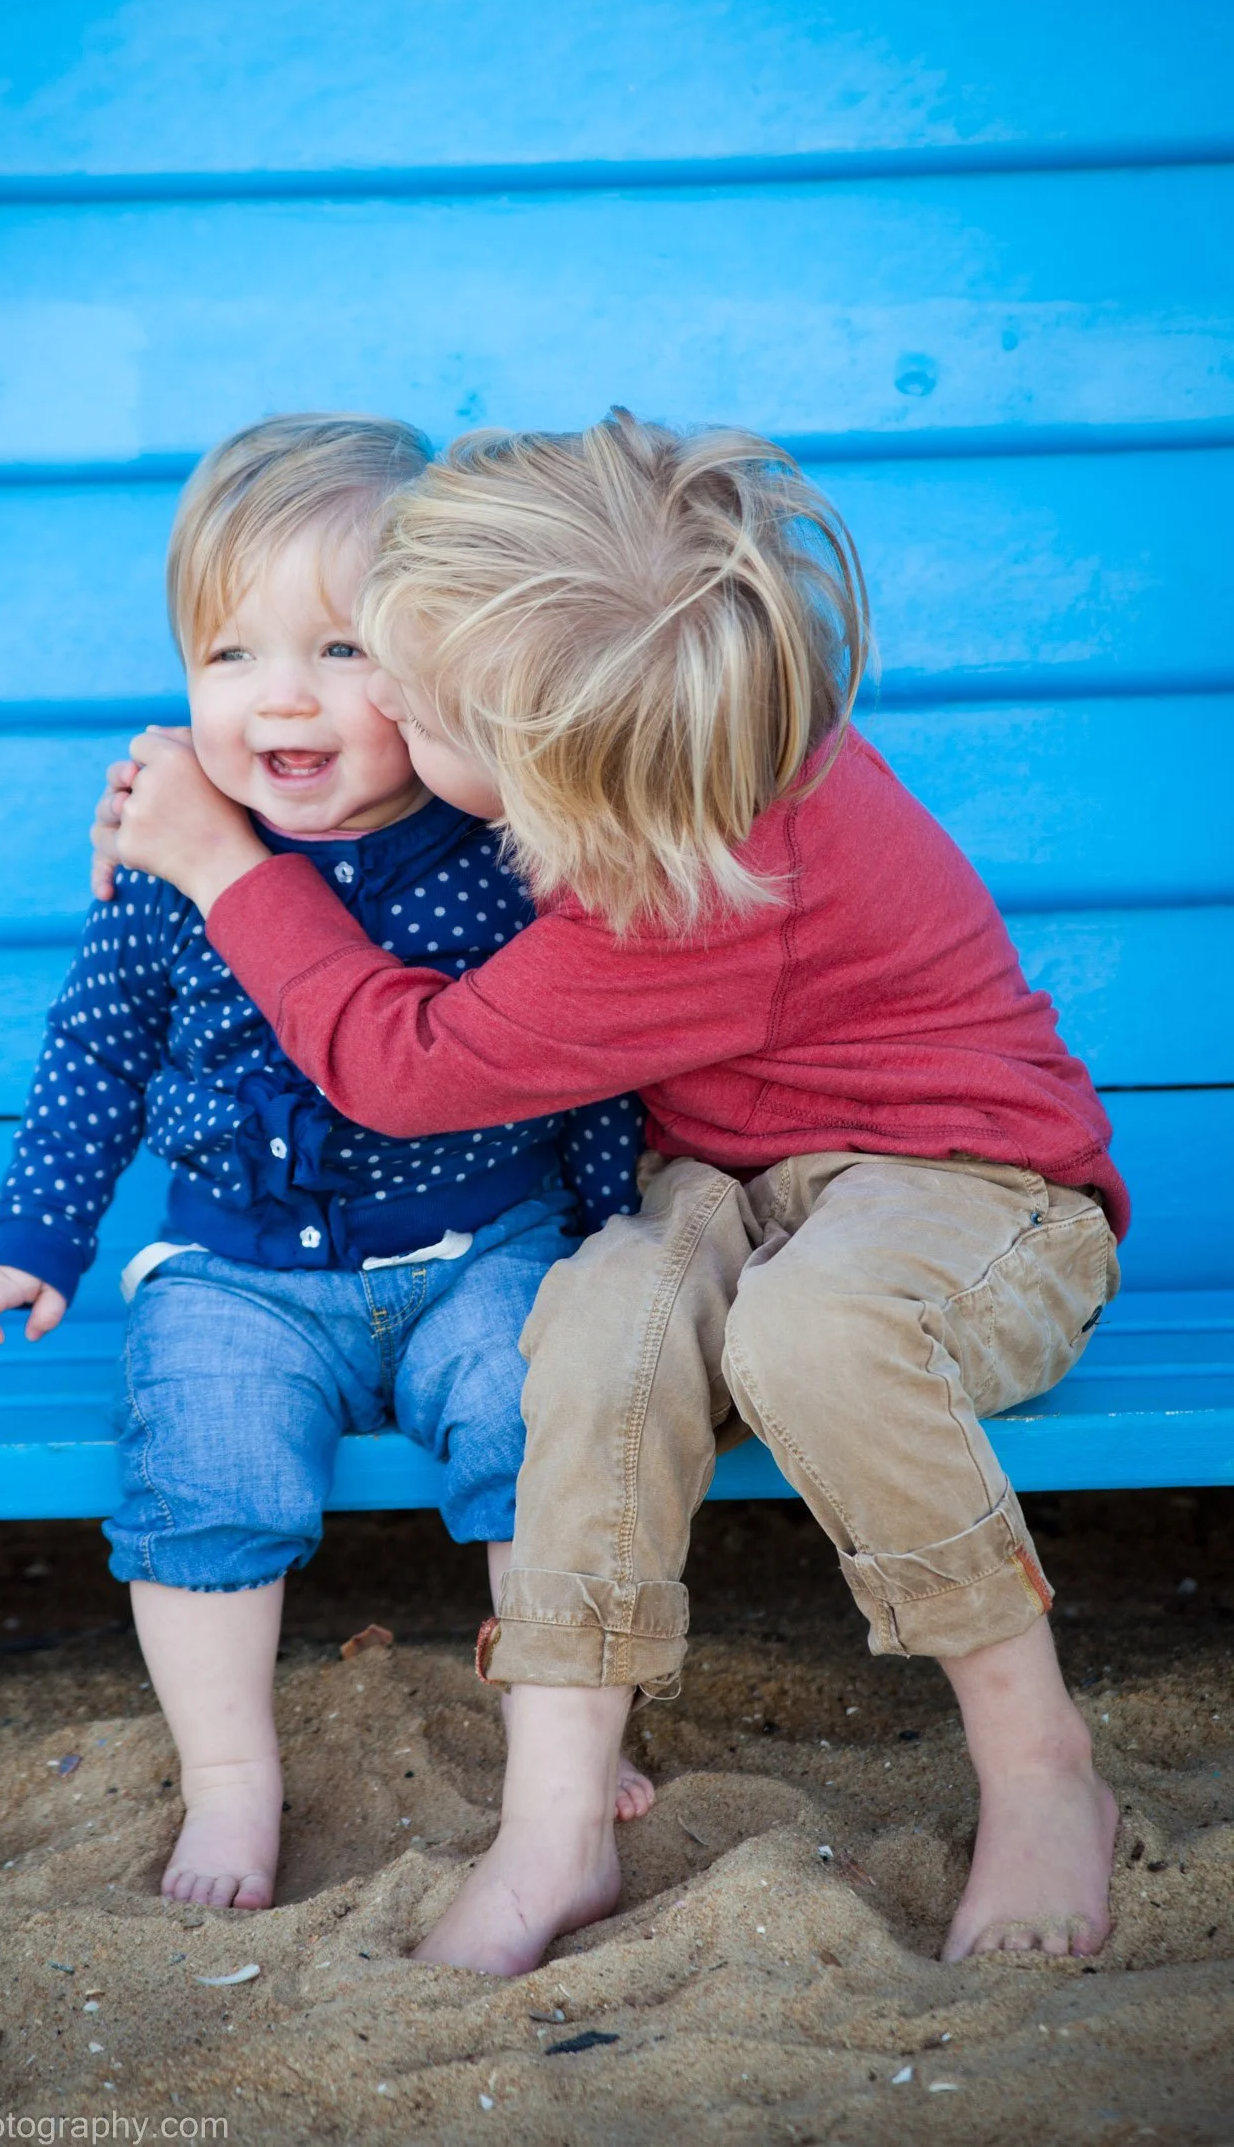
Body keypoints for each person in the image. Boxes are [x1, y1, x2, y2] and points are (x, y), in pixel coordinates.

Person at [92, 410, 1127, 1976]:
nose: (397, 734)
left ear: (540, 768)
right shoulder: (663, 725)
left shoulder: (690, 879)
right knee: (592, 1321)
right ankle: (555, 1820)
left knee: (813, 1333)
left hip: (969, 1189)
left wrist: (230, 868)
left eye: (413, 701)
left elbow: (412, 1066)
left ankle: (1041, 1762)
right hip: (728, 1184)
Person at [0, 413, 645, 1914]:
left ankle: (567, 1744)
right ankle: (231, 1781)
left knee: (547, 1428)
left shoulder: (502, 850)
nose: (281, 700)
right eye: (231, 656)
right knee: (202, 1459)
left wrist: (604, 1230)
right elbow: (96, 1052)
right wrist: (35, 1242)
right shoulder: (168, 855)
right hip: (243, 1269)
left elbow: (582, 1056)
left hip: (482, 1244)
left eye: (340, 652)